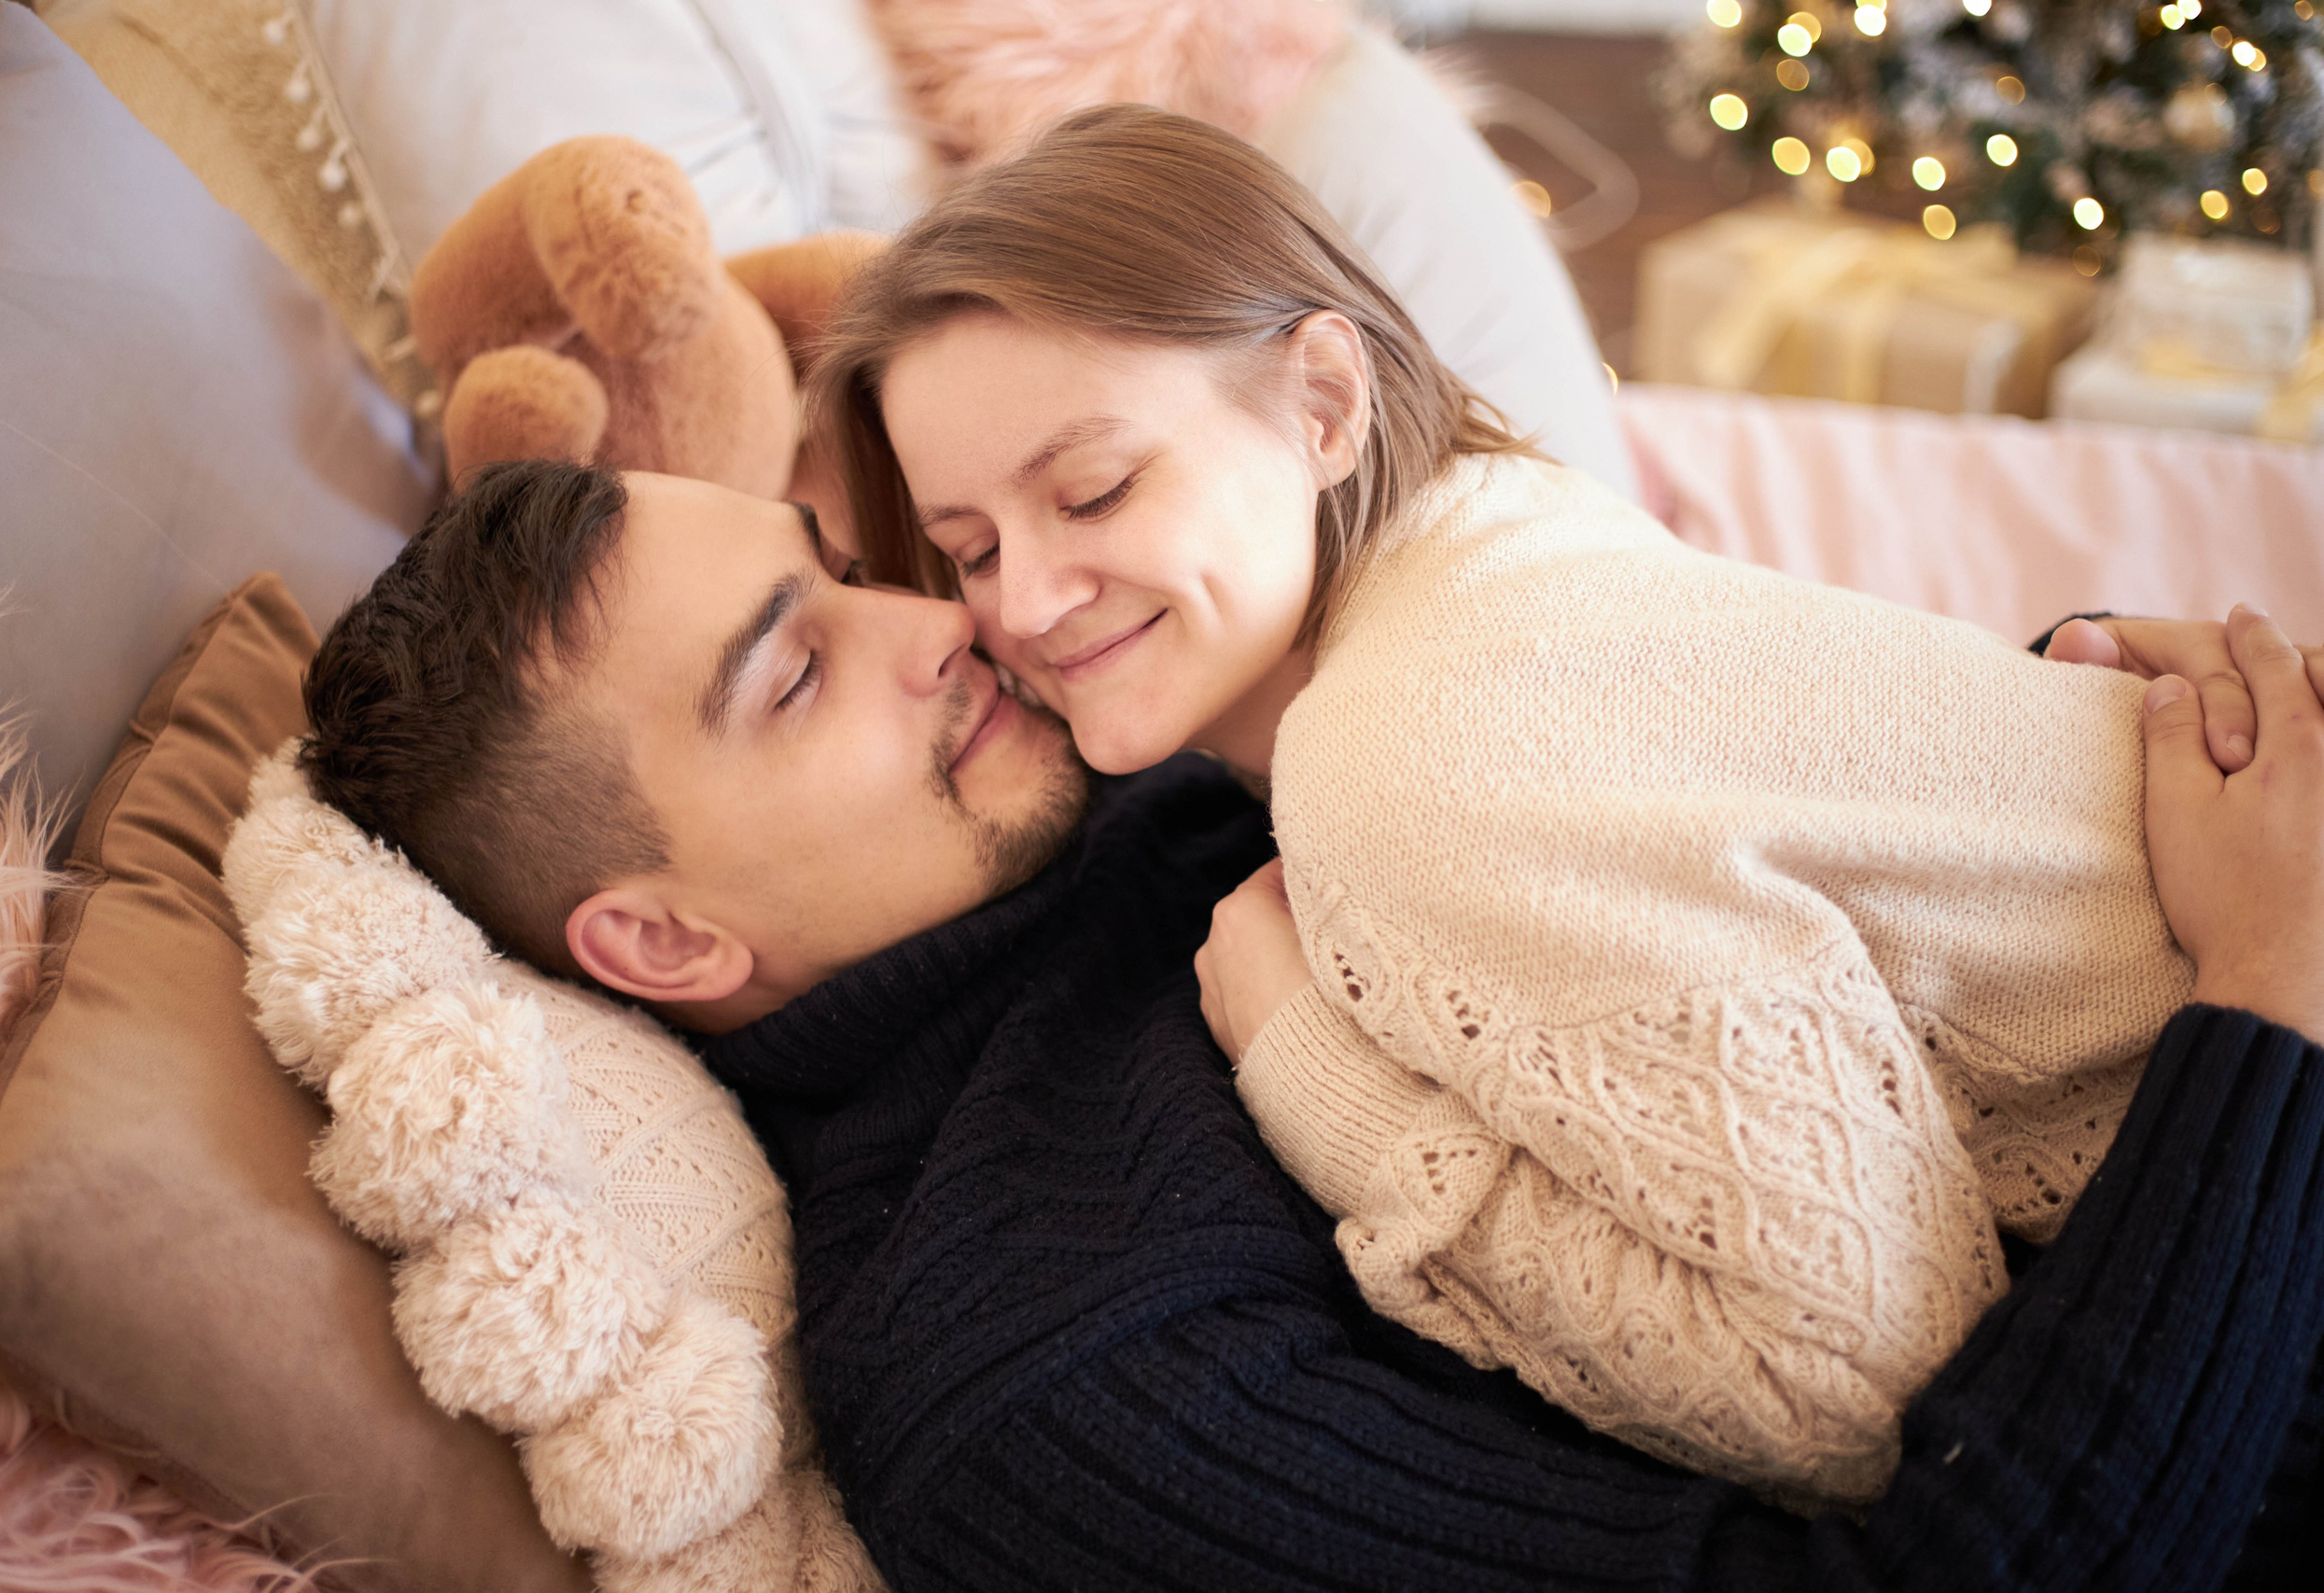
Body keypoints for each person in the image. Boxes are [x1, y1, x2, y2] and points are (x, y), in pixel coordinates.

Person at [301, 454, 2323, 1591]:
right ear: (653, 941)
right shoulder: (1040, 1366)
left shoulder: (1183, 760)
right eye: (792, 670)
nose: (942, 623)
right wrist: (2265, 1002)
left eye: (848, 572)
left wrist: (2041, 757)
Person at [806, 103, 2321, 1502]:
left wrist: (1313, 1071)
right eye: (972, 545)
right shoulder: (1504, 525)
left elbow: (1857, 1386)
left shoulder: (1405, 749)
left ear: (1323, 401)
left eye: (1091, 492)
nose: (1028, 603)